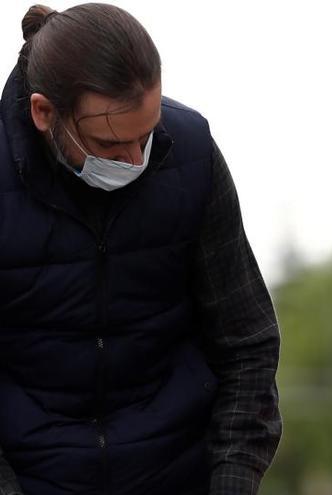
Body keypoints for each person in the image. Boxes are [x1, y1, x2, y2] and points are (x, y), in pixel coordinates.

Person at [0, 4, 281, 494]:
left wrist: (233, 482)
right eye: (110, 146)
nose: (136, 160)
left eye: (146, 136)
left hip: (179, 474)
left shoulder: (190, 153)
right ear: (44, 113)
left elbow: (247, 343)